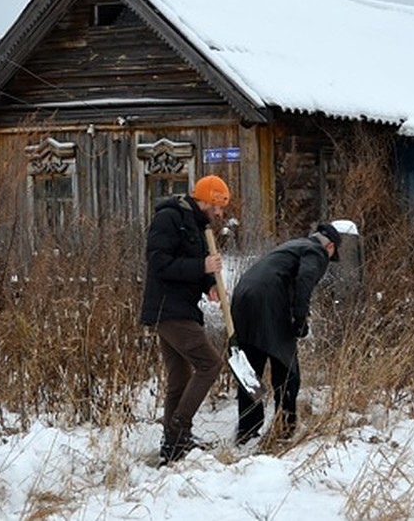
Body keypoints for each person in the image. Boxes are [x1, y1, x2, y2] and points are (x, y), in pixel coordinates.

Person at [140, 174, 231, 465]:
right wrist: (201, 265)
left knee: (179, 377)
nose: (219, 214)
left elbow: (197, 269)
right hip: (168, 309)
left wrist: (209, 284)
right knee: (210, 363)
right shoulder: (169, 218)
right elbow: (158, 262)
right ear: (204, 199)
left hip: (183, 308)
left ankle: (174, 446)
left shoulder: (199, 225)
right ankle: (179, 427)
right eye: (216, 206)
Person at [231, 222, 340, 445]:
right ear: (329, 246)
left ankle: (247, 430)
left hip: (243, 296)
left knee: (251, 368)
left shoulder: (292, 245)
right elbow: (305, 279)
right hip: (269, 301)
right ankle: (285, 429)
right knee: (287, 369)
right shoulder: (316, 251)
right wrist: (300, 319)